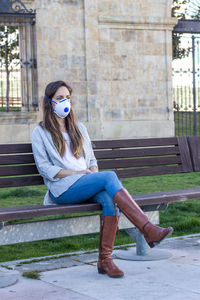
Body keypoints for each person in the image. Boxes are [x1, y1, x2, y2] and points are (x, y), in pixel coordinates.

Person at [32, 80, 173, 278]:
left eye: (68, 98)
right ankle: (147, 229)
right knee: (110, 177)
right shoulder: (40, 132)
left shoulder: (79, 128)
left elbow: (91, 159)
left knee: (109, 198)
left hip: (86, 183)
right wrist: (79, 174)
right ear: (49, 102)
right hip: (63, 189)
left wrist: (92, 171)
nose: (65, 101)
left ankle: (105, 260)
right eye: (59, 98)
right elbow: (45, 169)